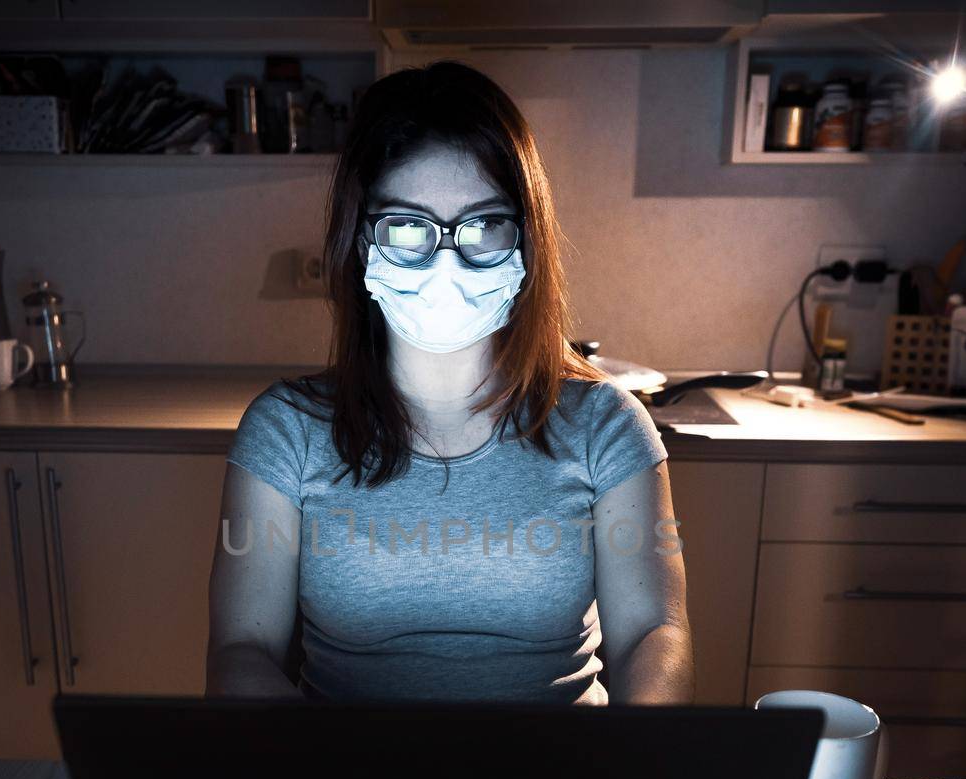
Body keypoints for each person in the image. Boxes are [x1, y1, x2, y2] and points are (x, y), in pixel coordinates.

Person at [206, 60, 692, 705]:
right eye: (407, 226)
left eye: (483, 225)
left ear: (524, 240)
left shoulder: (605, 425)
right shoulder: (286, 430)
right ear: (359, 241)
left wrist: (638, 765)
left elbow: (655, 633)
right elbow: (243, 651)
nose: (444, 262)